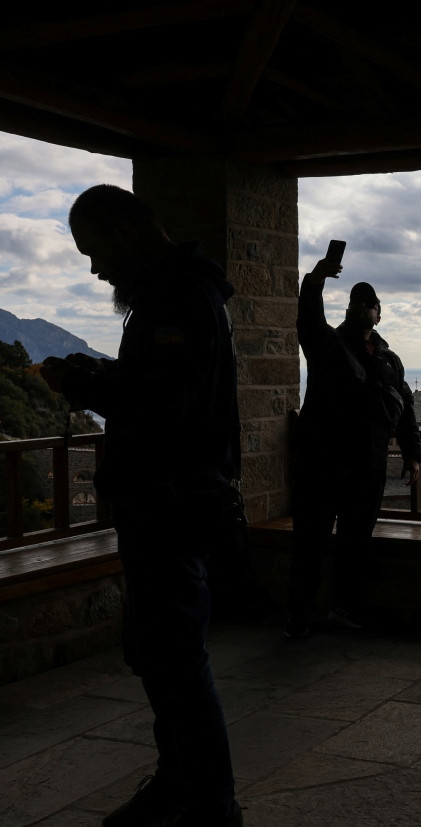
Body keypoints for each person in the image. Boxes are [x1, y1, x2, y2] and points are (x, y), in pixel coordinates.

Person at [41, 184, 243, 826]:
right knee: (160, 654)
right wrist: (101, 376)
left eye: (93, 251)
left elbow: (164, 404)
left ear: (124, 234)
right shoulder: (179, 294)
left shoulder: (176, 298)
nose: (94, 268)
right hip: (170, 502)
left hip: (170, 505)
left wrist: (82, 383)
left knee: (177, 663)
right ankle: (178, 781)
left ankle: (212, 807)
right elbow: (162, 384)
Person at [286, 263, 421, 638]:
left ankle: (341, 608)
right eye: (359, 300)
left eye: (371, 302)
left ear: (378, 312)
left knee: (354, 542)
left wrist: (413, 454)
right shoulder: (328, 345)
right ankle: (300, 614)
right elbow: (309, 321)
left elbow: (405, 407)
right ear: (349, 307)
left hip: (367, 465)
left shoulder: (389, 360)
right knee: (310, 540)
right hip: (324, 461)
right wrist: (314, 281)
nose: (365, 306)